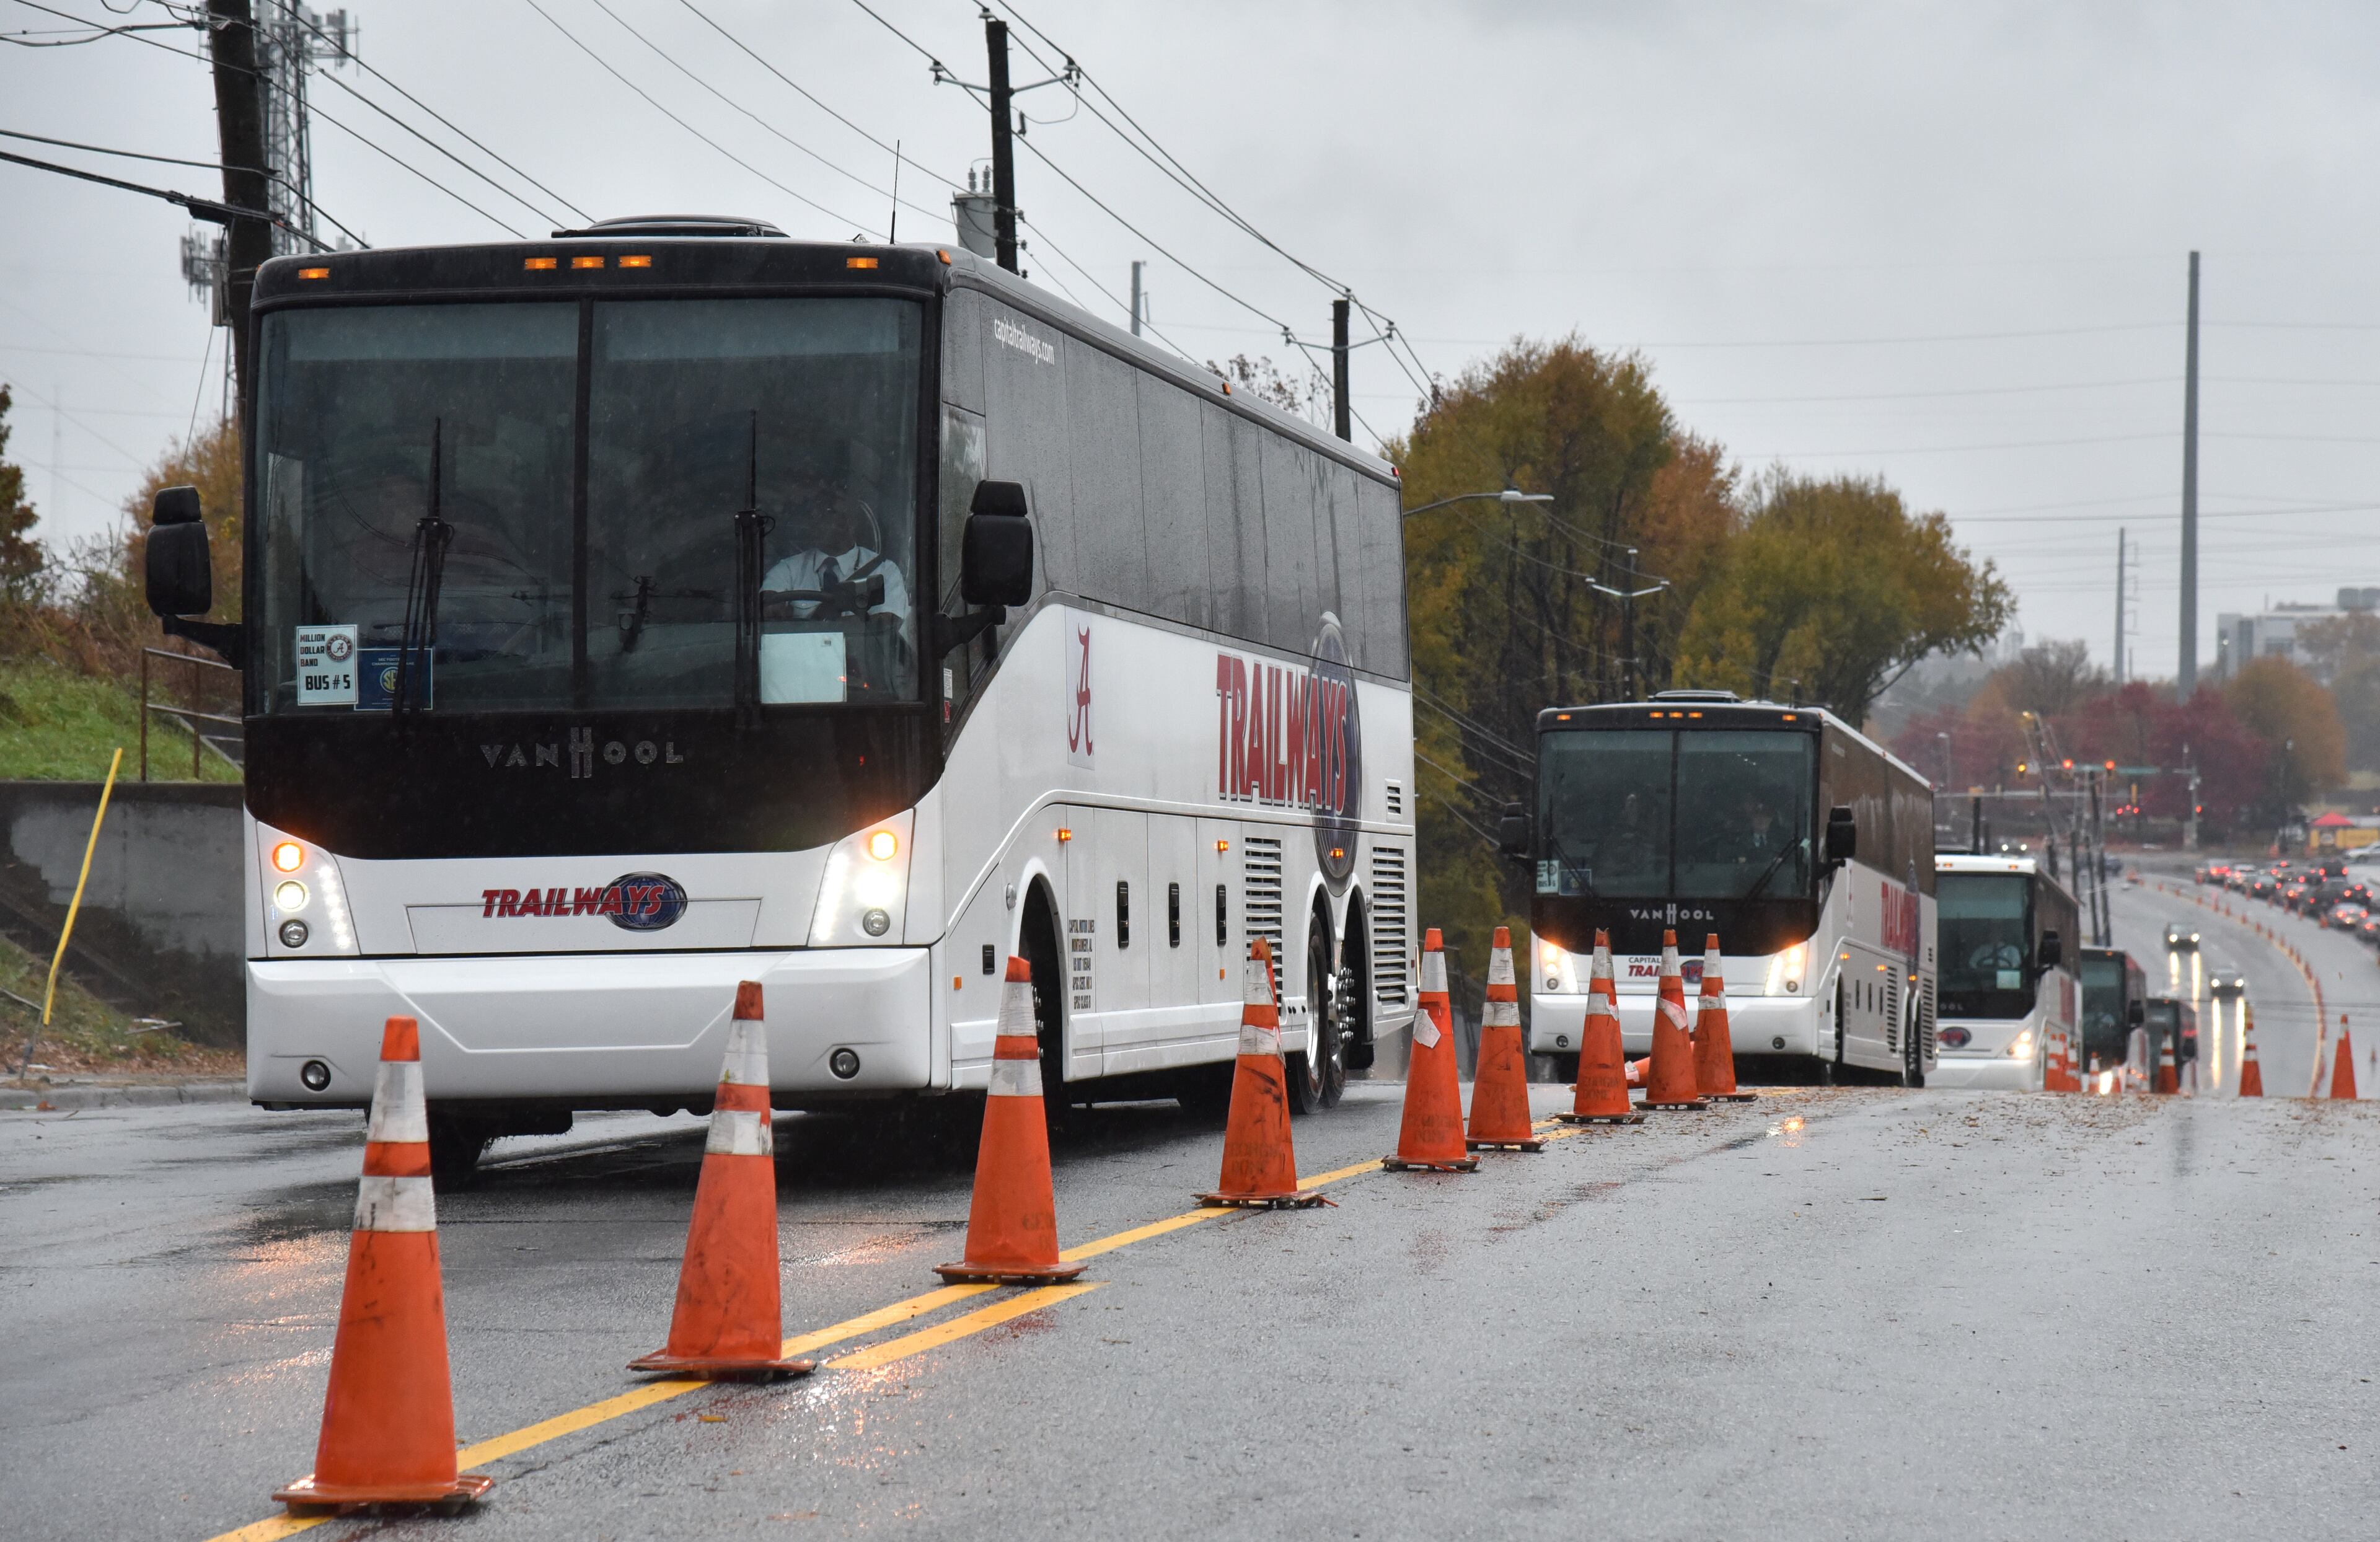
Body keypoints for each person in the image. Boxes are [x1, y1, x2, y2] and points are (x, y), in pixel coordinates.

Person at [760, 440, 910, 648]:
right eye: (816, 513)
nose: (817, 519)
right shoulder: (788, 569)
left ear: (850, 522)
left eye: (829, 513)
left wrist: (804, 627)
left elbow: (883, 629)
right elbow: (768, 611)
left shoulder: (884, 571)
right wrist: (851, 625)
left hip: (863, 676)